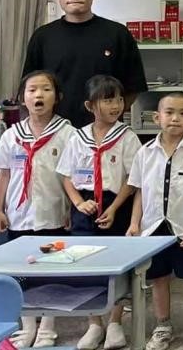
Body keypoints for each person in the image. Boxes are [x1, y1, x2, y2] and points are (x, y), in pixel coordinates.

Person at [125, 92, 183, 350]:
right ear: (157, 117)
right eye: (169, 112)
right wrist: (135, 223)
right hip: (152, 228)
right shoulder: (145, 152)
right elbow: (140, 191)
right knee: (158, 278)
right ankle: (163, 326)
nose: (175, 118)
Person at [57, 75, 140, 350]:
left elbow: (133, 178)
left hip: (117, 203)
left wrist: (114, 208)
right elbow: (66, 175)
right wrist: (78, 203)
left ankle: (115, 322)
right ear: (90, 105)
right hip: (85, 205)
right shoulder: (77, 137)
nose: (116, 105)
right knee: (86, 264)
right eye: (107, 100)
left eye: (118, 99)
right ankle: (94, 323)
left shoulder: (127, 137)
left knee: (117, 263)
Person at [0, 71, 73, 349]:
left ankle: (47, 328)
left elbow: (72, 177)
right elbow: (3, 173)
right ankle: (28, 327)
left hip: (54, 214)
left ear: (57, 97)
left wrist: (71, 209)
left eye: (46, 89)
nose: (39, 95)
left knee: (51, 274)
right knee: (21, 274)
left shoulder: (67, 133)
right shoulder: (12, 135)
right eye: (32, 90)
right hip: (19, 216)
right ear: (22, 98)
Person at [22, 0, 147, 128]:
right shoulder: (42, 37)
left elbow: (133, 86)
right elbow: (30, 87)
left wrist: (108, 117)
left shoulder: (118, 34)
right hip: (54, 130)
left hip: (104, 131)